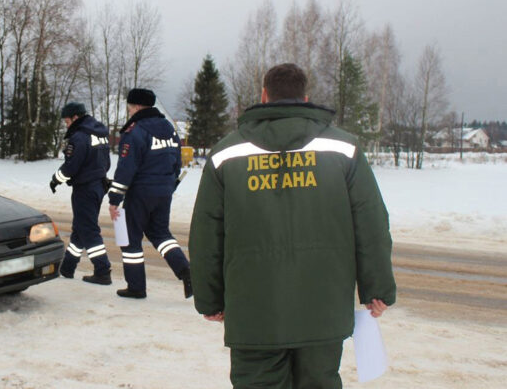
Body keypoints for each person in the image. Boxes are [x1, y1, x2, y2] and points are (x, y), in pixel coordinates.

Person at [189, 63, 396, 389]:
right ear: (306, 97)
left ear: (263, 95)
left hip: (254, 311)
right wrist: (377, 288)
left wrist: (209, 298)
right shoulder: (344, 149)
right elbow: (370, 223)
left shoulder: (226, 153)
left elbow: (206, 235)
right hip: (323, 308)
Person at [108, 88, 191, 299]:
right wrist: (168, 185)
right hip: (164, 191)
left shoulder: (136, 131)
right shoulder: (169, 128)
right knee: (161, 234)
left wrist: (114, 199)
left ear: (135, 106)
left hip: (140, 193)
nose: (128, 112)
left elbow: (126, 169)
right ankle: (186, 272)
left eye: (129, 107)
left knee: (130, 239)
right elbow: (176, 162)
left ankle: (136, 287)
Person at [50, 102, 113, 285]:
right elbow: (106, 163)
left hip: (85, 188)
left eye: (67, 121)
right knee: (80, 228)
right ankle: (68, 267)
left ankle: (102, 270)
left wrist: (56, 179)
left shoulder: (79, 137)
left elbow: (71, 166)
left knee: (88, 229)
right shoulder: (99, 134)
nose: (66, 125)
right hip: (99, 185)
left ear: (76, 117)